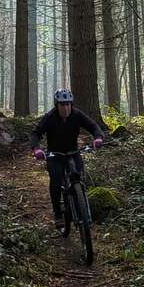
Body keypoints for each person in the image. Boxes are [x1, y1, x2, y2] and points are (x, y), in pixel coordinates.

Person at [29, 88, 104, 227]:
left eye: (68, 104)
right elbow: (36, 133)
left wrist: (98, 138)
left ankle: (81, 208)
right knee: (56, 182)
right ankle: (58, 213)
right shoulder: (50, 117)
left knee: (79, 178)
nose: (66, 108)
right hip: (55, 155)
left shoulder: (77, 115)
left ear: (71, 104)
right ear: (56, 105)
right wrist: (36, 148)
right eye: (62, 105)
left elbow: (93, 126)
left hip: (73, 152)